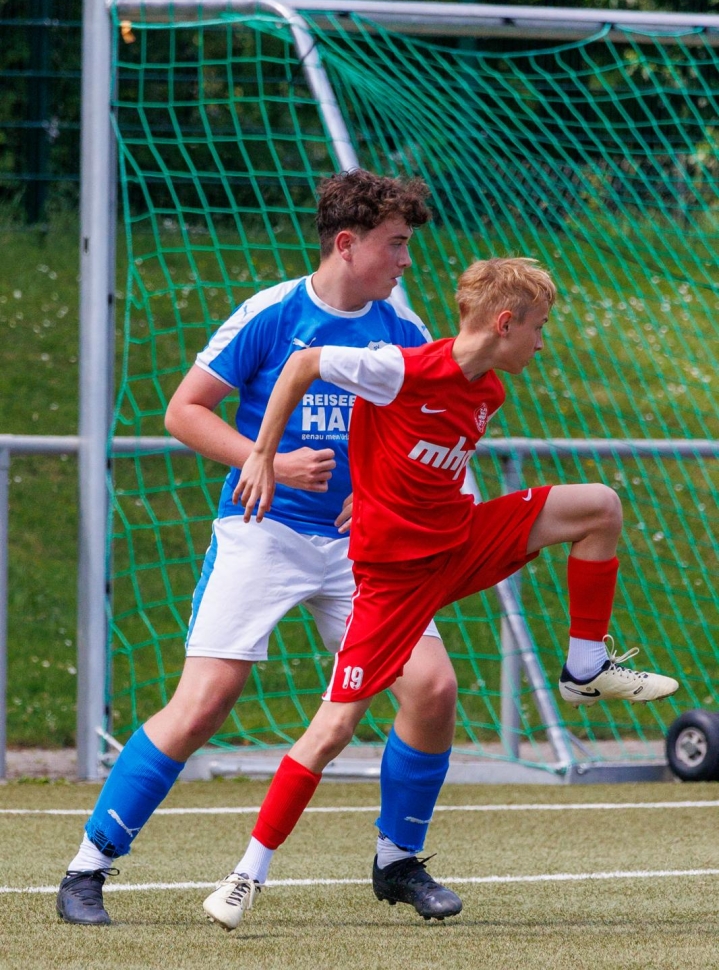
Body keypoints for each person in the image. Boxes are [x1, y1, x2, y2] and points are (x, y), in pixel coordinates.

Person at [210, 255, 680, 931]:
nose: (543, 343)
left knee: (599, 506)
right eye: (539, 328)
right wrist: (261, 454)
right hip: (393, 581)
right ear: (505, 322)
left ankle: (584, 667)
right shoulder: (399, 367)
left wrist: (378, 486)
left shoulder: (488, 393)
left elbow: (425, 464)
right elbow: (304, 364)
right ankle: (246, 874)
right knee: (333, 728)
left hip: (459, 543)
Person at [56, 169, 466, 927]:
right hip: (263, 532)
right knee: (202, 705)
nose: (407, 260)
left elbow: (430, 427)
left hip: (361, 550)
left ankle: (397, 860)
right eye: (395, 244)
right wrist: (266, 462)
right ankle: (88, 867)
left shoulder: (404, 330)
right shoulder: (273, 314)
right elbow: (184, 410)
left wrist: (384, 490)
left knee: (432, 688)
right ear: (347, 244)